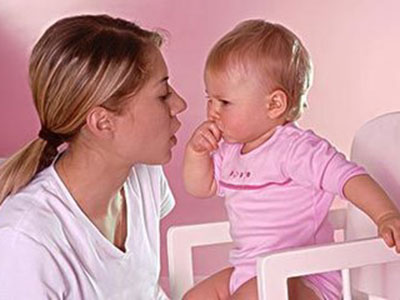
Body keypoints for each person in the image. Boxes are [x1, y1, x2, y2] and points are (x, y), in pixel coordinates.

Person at [183, 20, 400, 300]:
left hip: (304, 276)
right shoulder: (230, 151)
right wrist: (197, 153)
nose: (212, 111)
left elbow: (348, 178)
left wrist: (385, 215)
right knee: (193, 298)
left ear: (274, 104)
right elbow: (200, 187)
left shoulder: (296, 149)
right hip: (249, 269)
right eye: (209, 99)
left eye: (224, 102)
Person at [0, 14, 186, 299]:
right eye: (163, 94)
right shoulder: (27, 241)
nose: (180, 104)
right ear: (102, 122)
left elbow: (143, 290)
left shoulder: (143, 177)